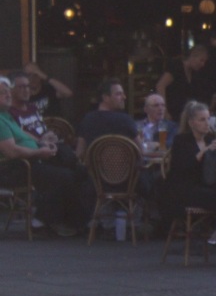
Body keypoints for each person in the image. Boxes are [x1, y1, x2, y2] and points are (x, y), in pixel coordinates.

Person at [166, 102, 216, 268]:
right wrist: (203, 152)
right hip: (185, 189)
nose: (206, 123)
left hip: (206, 186)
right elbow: (181, 168)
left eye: (208, 119)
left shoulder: (210, 139)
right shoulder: (182, 141)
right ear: (191, 122)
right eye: (202, 119)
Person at [0, 82, 82, 237]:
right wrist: (38, 152)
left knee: (80, 172)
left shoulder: (7, 116)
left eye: (8, 92)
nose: (8, 95)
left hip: (31, 161)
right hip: (14, 168)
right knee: (65, 177)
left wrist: (42, 143)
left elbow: (23, 136)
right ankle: (42, 221)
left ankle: (77, 221)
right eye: (3, 93)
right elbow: (11, 152)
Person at [76, 79, 135, 160]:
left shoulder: (87, 119)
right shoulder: (126, 120)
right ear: (105, 98)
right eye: (119, 94)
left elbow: (79, 153)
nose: (124, 97)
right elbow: (140, 151)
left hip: (94, 171)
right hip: (125, 171)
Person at [155, 45, 212, 115]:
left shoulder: (195, 74)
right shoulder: (176, 66)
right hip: (171, 112)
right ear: (193, 56)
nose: (203, 64)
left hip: (185, 115)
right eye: (201, 60)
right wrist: (164, 110)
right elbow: (160, 86)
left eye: (204, 62)